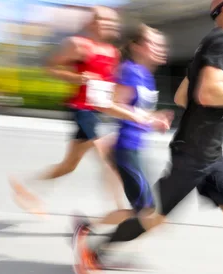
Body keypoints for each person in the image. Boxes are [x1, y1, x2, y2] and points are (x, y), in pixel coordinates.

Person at [73, 0, 223, 274]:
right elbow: (206, 93)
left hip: (211, 154)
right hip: (193, 155)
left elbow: (184, 96)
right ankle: (93, 251)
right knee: (152, 218)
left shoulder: (212, 44)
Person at [9, 6, 150, 216]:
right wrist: (77, 78)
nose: (109, 24)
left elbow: (111, 87)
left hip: (97, 110)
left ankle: (25, 186)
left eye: (112, 21)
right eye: (103, 20)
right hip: (81, 110)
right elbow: (49, 67)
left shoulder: (113, 53)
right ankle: (121, 213)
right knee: (109, 159)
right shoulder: (78, 45)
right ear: (91, 23)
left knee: (68, 166)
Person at [71, 25, 173, 272]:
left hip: (136, 149)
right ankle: (95, 249)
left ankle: (89, 233)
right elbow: (107, 105)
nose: (160, 48)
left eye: (161, 44)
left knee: (148, 214)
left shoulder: (145, 75)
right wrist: (141, 117)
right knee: (149, 215)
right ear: (138, 47)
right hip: (127, 150)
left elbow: (138, 113)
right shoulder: (129, 71)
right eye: (154, 43)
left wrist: (154, 119)